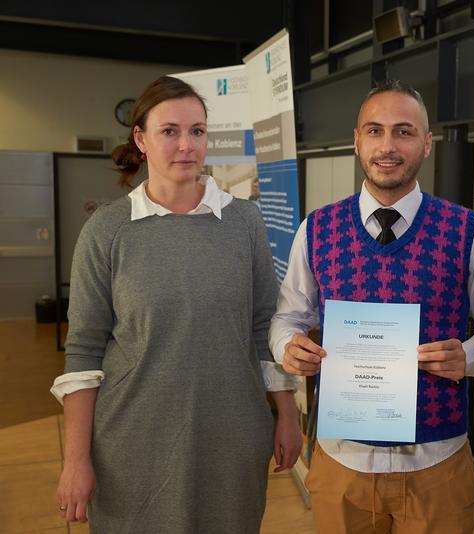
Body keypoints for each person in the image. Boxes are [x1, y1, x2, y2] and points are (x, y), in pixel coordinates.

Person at [51, 75, 302, 533]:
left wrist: (287, 414)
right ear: (141, 140)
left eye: (197, 131)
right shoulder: (108, 230)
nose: (186, 144)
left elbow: (263, 326)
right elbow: (84, 350)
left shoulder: (245, 221)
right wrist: (76, 460)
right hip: (132, 440)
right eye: (170, 131)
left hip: (231, 434)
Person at [269, 79, 474, 533]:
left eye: (404, 131)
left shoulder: (468, 231)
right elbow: (287, 318)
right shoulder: (317, 229)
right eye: (374, 131)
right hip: (342, 462)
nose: (388, 146)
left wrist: (469, 356)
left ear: (427, 143)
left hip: (438, 462)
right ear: (357, 141)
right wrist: (288, 347)